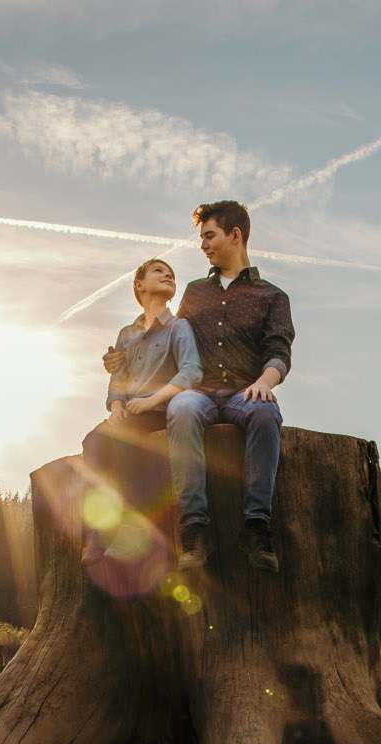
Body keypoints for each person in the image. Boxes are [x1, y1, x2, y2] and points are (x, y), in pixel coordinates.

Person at [105, 199, 294, 573]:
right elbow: (168, 335)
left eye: (209, 236)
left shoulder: (272, 296)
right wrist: (123, 356)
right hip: (199, 394)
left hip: (246, 393)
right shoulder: (194, 292)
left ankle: (256, 526)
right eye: (201, 237)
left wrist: (264, 382)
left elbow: (279, 350)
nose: (203, 245)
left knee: (267, 413)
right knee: (182, 408)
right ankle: (194, 529)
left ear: (235, 235)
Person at [81, 257, 201, 564]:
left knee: (127, 441)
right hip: (129, 413)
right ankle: (99, 528)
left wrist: (150, 401)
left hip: (161, 410)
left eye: (171, 273)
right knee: (92, 442)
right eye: (159, 271)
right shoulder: (126, 334)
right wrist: (117, 405)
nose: (168, 275)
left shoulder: (179, 327)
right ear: (139, 285)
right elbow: (118, 378)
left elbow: (190, 372)